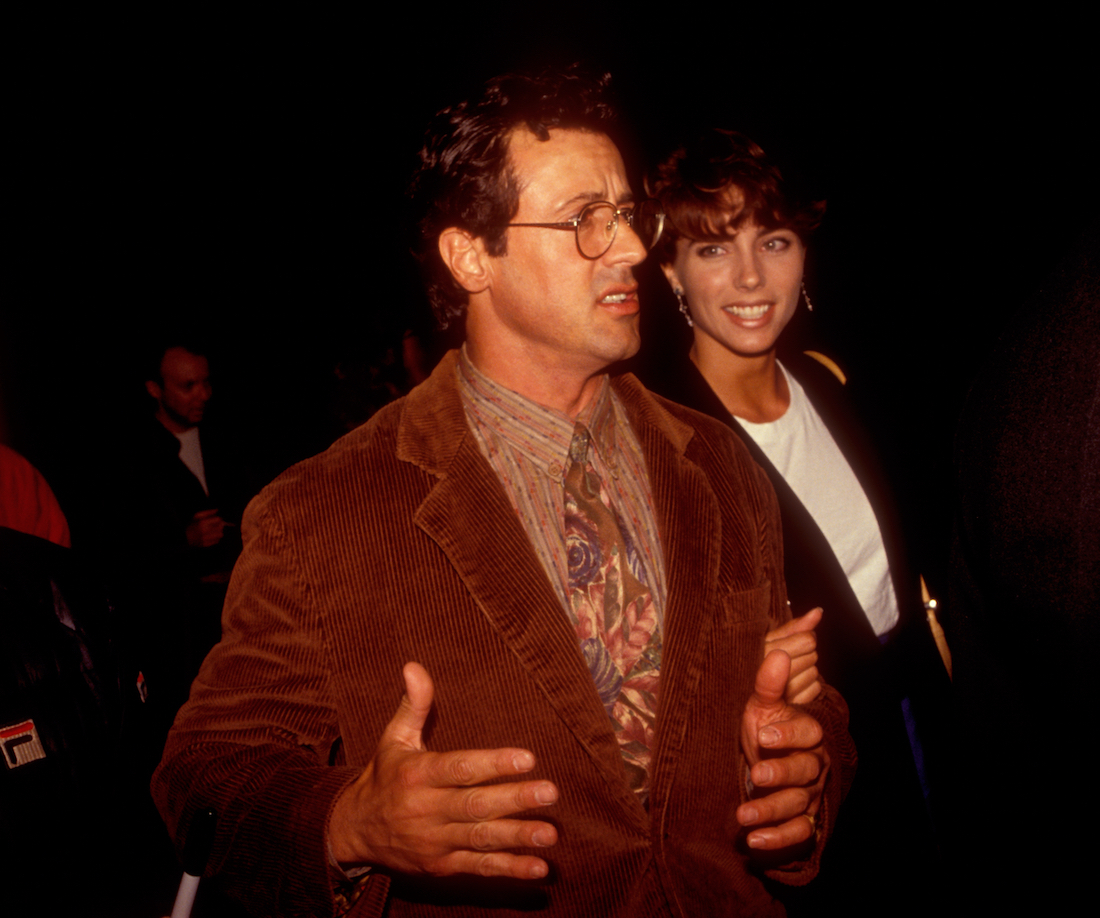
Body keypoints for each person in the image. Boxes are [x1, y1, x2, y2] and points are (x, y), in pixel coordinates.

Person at [153, 70, 854, 917]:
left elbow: (805, 703)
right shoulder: (322, 513)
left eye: (626, 214)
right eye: (584, 220)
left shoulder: (717, 461)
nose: (631, 249)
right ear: (471, 256)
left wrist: (807, 766)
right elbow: (206, 774)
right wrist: (351, 822)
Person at [640, 128, 951, 914]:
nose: (750, 276)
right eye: (713, 249)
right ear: (670, 269)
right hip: (821, 781)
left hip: (925, 723)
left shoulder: (828, 381)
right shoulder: (666, 449)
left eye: (773, 241)